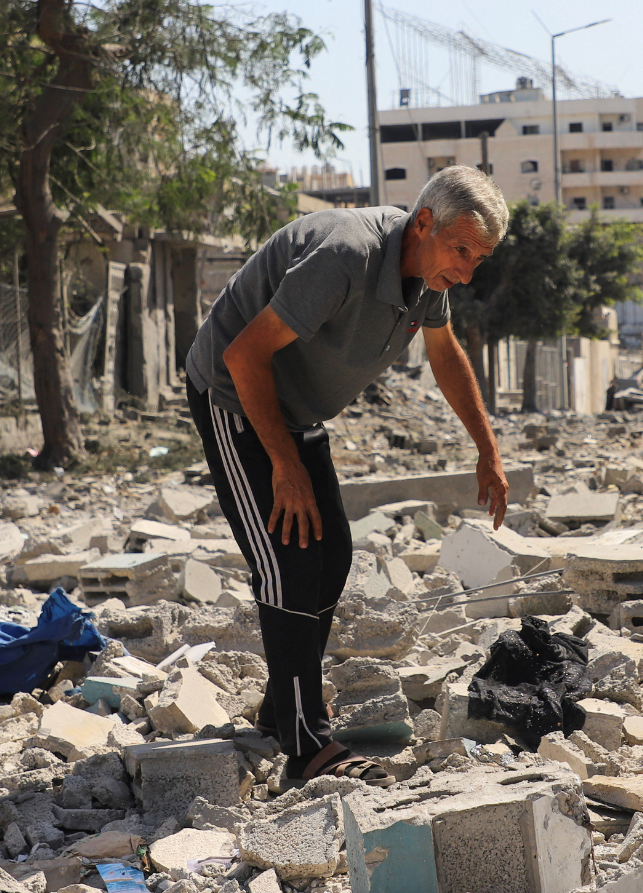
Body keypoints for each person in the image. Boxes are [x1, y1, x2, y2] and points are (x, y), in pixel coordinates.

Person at [184, 166, 509, 788]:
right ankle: (306, 749)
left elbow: (443, 353)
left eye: (481, 258)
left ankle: (284, 706)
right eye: (462, 251)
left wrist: (486, 449)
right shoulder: (345, 256)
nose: (467, 271)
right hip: (234, 395)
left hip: (296, 409)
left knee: (331, 557)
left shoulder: (428, 273)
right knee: (287, 561)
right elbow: (242, 354)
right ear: (423, 225)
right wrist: (283, 465)